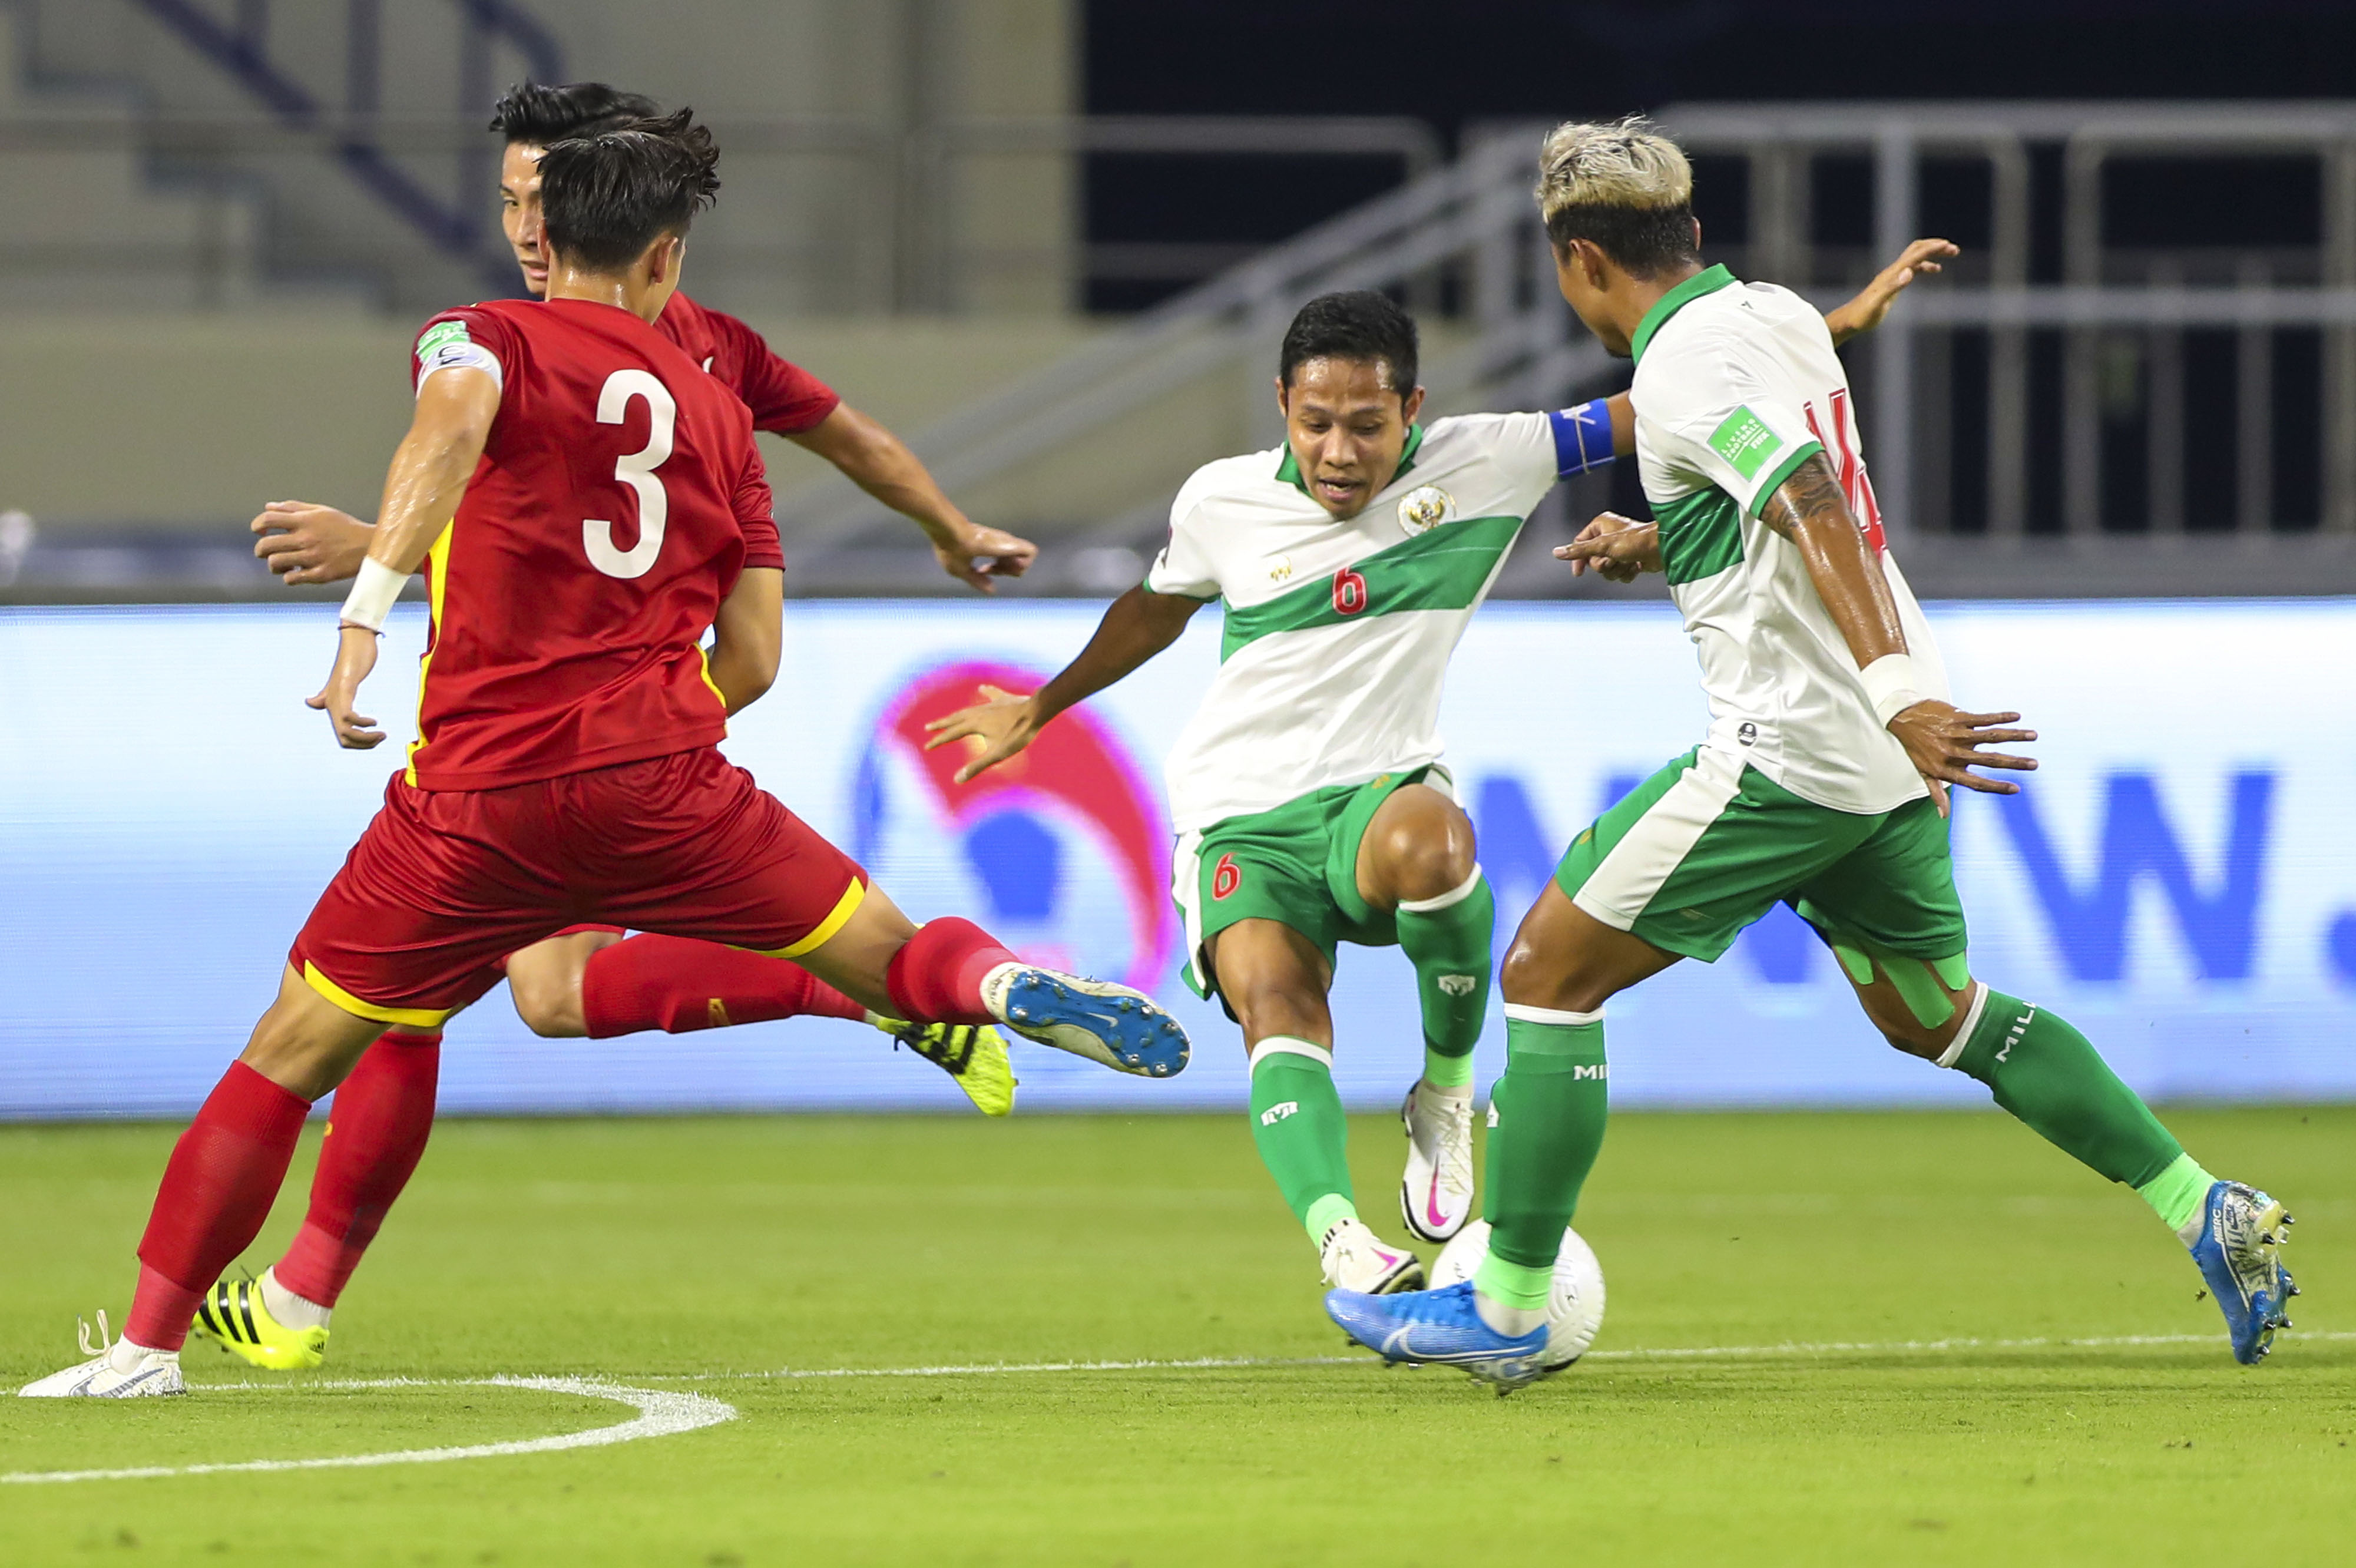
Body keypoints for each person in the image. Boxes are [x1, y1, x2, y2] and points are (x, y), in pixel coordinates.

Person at [22, 112, 1187, 1398]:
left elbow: (450, 438)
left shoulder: (478, 335)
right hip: (667, 780)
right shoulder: (716, 402)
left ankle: (146, 1345)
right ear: (664, 256)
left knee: (298, 1050)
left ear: (554, 225)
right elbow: (747, 644)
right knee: (887, 955)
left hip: (474, 802)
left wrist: (365, 605)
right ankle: (1001, 987)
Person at [1325, 117, 2297, 1385]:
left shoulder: (1683, 374)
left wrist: (1891, 692)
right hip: (1882, 759)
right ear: (1693, 235)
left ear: (1578, 261)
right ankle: (2199, 1202)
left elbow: (1807, 501)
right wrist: (1668, 530)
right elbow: (1767, 482)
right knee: (1933, 1016)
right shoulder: (1774, 314)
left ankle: (1504, 1304)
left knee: (1546, 970)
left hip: (1797, 749)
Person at [925, 244, 1952, 1306]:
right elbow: (1153, 609)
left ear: (1412, 408)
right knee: (1279, 1000)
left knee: (1439, 843)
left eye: (1367, 425)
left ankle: (1446, 1093)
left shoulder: (1486, 458)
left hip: (1377, 793)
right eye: (1314, 422)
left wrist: (1815, 334)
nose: (1338, 451)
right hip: (1236, 811)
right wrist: (1042, 705)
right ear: (1282, 402)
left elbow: (1670, 400)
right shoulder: (1220, 502)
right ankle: (1341, 1240)